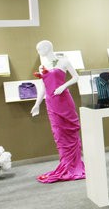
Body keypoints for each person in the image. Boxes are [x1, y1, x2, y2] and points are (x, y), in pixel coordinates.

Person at [29, 40, 86, 183]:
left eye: (39, 49)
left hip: (64, 100)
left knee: (70, 131)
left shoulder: (63, 61)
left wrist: (63, 86)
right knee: (59, 134)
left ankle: (75, 164)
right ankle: (66, 164)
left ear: (47, 48)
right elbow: (43, 87)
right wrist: (37, 104)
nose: (38, 52)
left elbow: (76, 77)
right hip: (51, 103)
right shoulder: (42, 66)